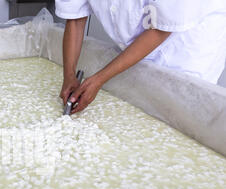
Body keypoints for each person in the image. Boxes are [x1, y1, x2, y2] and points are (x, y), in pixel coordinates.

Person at [56, 0, 226, 113]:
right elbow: (76, 17)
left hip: (185, 48)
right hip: (141, 43)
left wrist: (100, 79)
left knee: (182, 115)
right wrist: (69, 75)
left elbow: (161, 29)